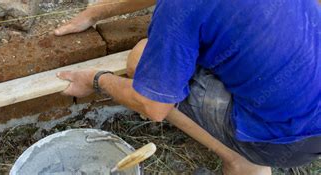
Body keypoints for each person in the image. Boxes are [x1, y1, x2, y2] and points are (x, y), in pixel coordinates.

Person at [54, 0, 320, 174]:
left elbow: (154, 106)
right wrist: (96, 13)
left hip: (283, 144)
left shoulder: (178, 8)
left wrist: (95, 80)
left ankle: (243, 161)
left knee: (141, 58)